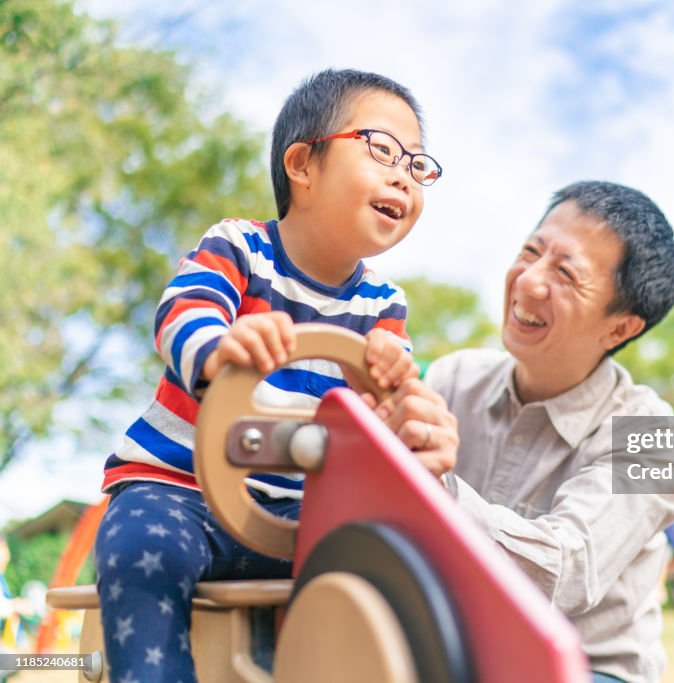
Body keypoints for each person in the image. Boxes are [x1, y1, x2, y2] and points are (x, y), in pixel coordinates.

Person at [94, 67, 444, 683]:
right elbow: (183, 311)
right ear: (303, 165)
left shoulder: (384, 305)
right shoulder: (239, 248)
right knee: (138, 553)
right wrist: (222, 347)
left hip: (300, 518)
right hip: (182, 490)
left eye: (418, 164)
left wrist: (388, 388)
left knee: (386, 577)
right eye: (383, 149)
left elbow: (386, 416)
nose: (402, 175)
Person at [371, 180, 674, 683]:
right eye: (530, 251)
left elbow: (562, 572)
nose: (529, 282)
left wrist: (433, 490)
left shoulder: (649, 436)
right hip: (463, 651)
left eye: (565, 273)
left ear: (620, 328)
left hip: (587, 671)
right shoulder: (455, 379)